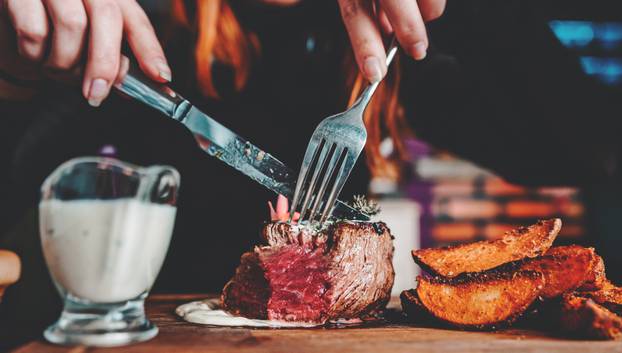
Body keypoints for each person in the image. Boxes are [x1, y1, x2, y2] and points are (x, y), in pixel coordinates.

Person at [0, 0, 621, 348]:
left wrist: (454, 10)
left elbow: (587, 148)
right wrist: (11, 74)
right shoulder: (147, 18)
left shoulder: (384, 35)